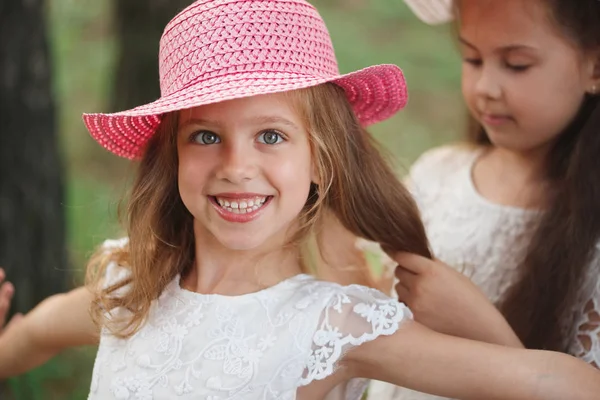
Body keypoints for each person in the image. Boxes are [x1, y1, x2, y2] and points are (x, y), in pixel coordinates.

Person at [0, 1, 599, 399]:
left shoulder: (333, 324)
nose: (237, 167)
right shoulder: (131, 283)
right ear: (171, 155)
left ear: (321, 158)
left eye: (271, 136)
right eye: (205, 136)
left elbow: (567, 383)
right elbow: (32, 338)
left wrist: (481, 324)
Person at [369, 0, 600, 398]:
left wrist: (480, 327)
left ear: (594, 67)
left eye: (516, 65)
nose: (484, 88)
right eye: (472, 59)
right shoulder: (438, 173)